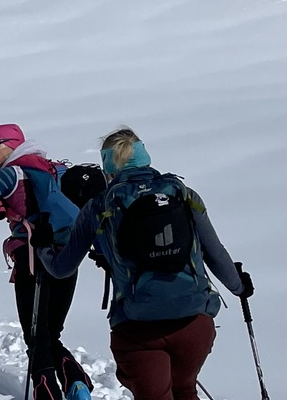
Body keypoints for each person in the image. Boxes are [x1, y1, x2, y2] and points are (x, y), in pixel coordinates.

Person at [43, 129, 253, 400]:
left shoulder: (98, 207)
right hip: (194, 323)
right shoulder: (183, 195)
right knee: (184, 389)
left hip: (138, 327)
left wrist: (42, 248)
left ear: (108, 165)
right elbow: (216, 254)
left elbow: (62, 268)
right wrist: (239, 286)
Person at [0, 124, 91, 400]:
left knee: (35, 337)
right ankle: (76, 381)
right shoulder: (51, 168)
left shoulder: (8, 175)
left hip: (31, 259)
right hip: (67, 255)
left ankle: (47, 393)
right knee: (51, 332)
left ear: (11, 144)